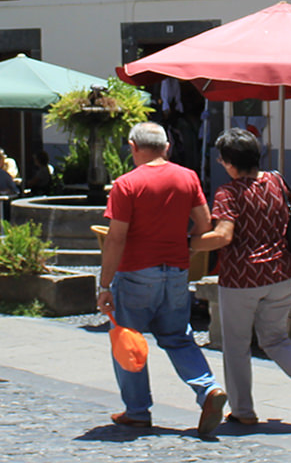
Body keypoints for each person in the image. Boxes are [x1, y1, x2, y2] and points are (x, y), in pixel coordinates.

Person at [192, 128, 291, 428]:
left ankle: (243, 409)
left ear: (230, 162)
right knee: (276, 338)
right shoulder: (277, 181)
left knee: (236, 346)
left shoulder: (227, 193)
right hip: (282, 273)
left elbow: (222, 236)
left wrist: (185, 244)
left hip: (242, 279)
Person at [97, 122, 226, 435]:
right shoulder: (187, 177)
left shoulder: (126, 184)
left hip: (137, 271)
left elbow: (116, 237)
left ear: (133, 147)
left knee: (128, 339)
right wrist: (189, 246)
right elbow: (204, 221)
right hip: (176, 271)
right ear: (167, 147)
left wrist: (104, 285)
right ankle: (208, 389)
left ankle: (138, 411)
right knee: (178, 337)